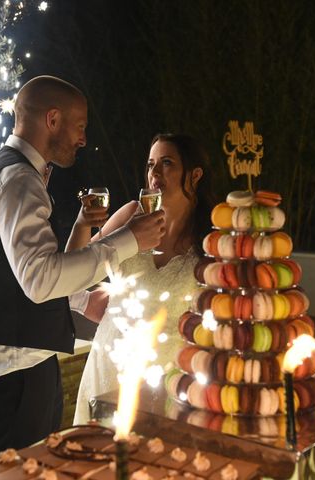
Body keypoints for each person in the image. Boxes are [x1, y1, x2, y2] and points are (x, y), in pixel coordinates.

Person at [0, 75, 165, 459]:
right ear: (52, 119)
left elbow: (30, 271)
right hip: (16, 366)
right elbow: (38, 281)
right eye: (80, 126)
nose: (84, 138)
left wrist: (82, 231)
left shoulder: (0, 169)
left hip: (12, 362)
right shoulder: (19, 180)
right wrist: (128, 240)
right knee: (25, 471)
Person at [71, 133, 215, 424]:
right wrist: (82, 223)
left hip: (164, 383)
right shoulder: (130, 215)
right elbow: (74, 270)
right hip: (107, 366)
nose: (155, 173)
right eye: (151, 164)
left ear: (195, 174)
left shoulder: (209, 240)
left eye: (167, 163)